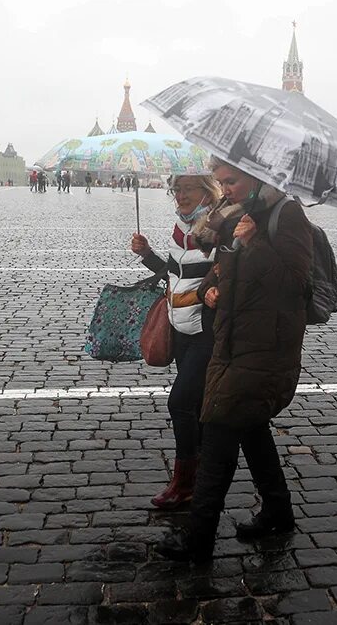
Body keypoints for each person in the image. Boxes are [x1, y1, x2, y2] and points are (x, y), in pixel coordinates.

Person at [156, 156, 313, 564]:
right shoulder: (237, 213)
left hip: (263, 346)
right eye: (221, 182)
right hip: (230, 338)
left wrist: (255, 242)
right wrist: (210, 287)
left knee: (219, 426)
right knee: (251, 429)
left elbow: (297, 284)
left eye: (232, 181)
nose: (225, 189)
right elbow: (225, 266)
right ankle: (278, 511)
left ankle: (199, 538)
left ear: (257, 177)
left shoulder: (287, 214)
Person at [131, 175, 221, 510]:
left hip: (206, 329)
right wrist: (147, 254)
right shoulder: (180, 226)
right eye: (176, 190)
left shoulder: (217, 226)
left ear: (205, 190)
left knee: (180, 402)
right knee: (194, 406)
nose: (180, 195)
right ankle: (200, 476)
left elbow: (228, 271)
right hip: (179, 325)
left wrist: (213, 291)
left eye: (187, 189)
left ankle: (185, 483)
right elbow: (173, 271)